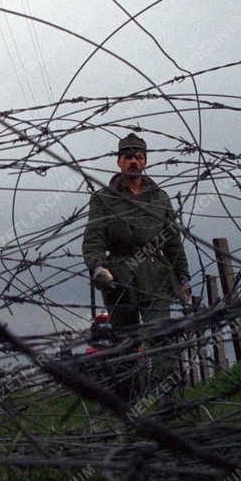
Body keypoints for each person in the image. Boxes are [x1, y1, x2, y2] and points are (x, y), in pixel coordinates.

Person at [81, 133, 191, 395]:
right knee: (125, 345)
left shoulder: (160, 198)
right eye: (128, 157)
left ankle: (165, 401)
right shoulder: (104, 199)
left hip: (156, 278)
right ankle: (129, 404)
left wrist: (183, 278)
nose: (134, 162)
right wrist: (98, 267)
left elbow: (172, 241)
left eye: (139, 158)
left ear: (145, 162)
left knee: (161, 340)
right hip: (120, 278)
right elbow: (93, 238)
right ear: (119, 162)